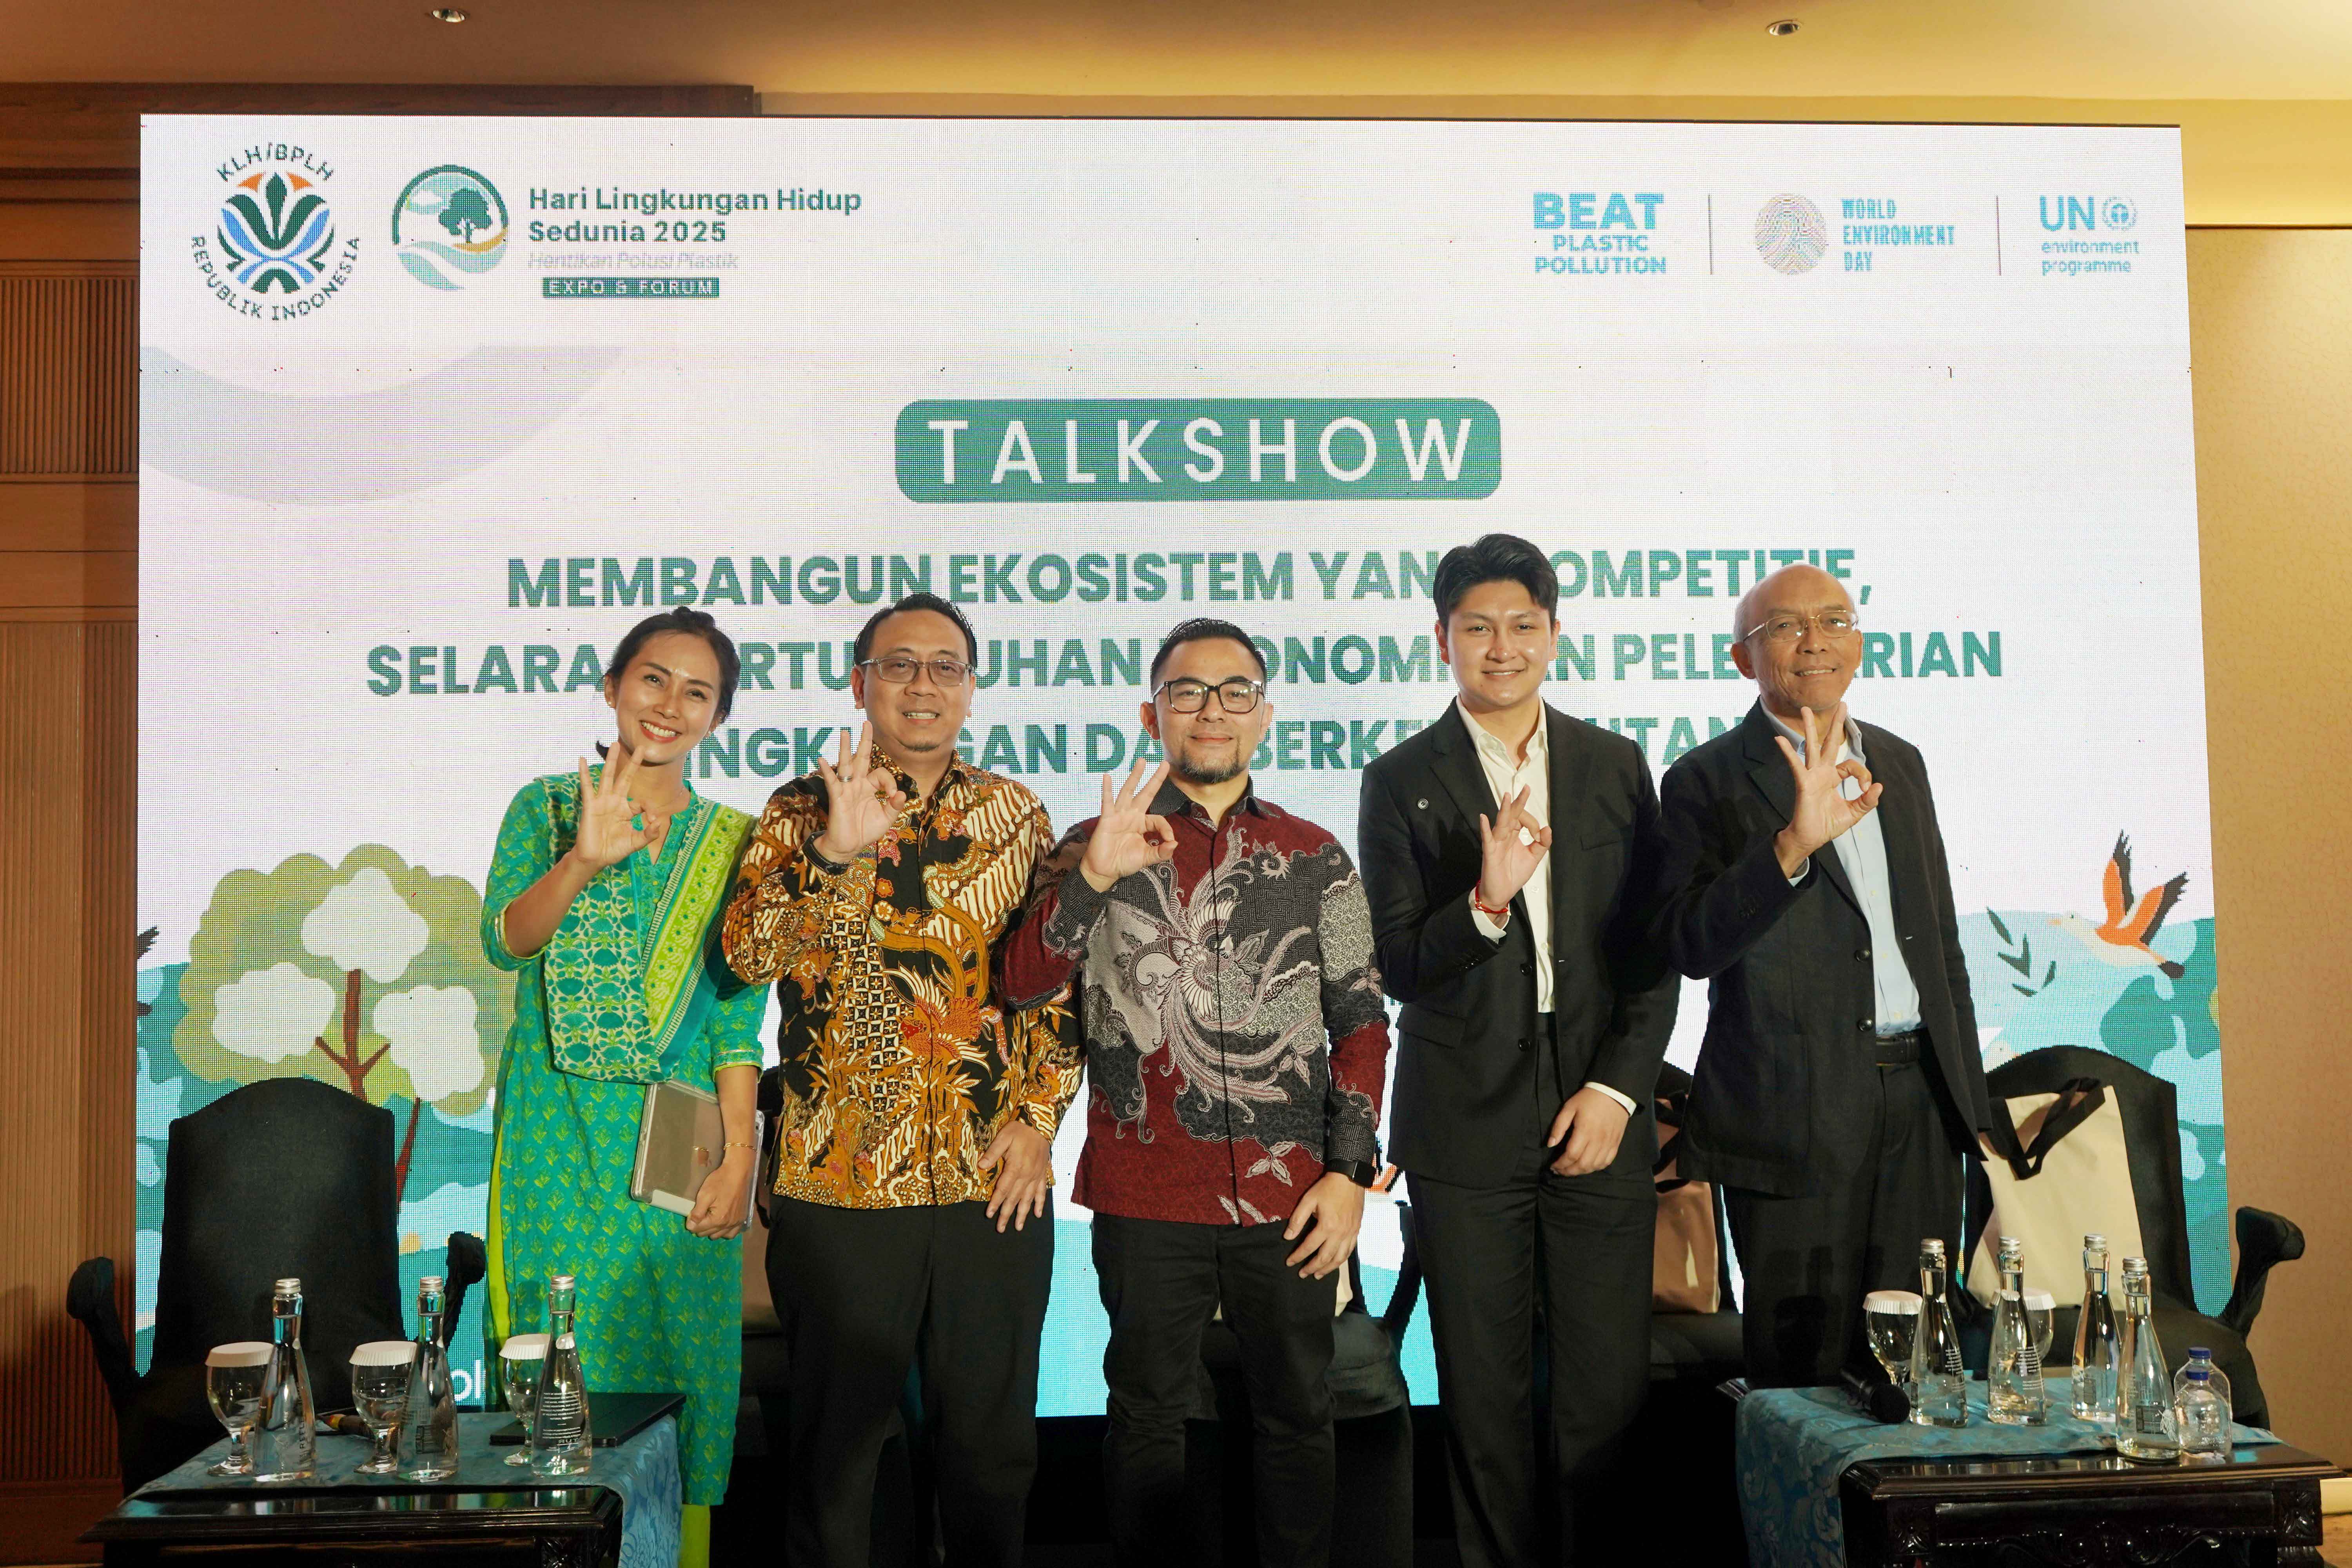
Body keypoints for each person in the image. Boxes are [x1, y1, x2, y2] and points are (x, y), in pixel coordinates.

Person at [998, 617, 1392, 1568]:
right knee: (1146, 1415)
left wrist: (1347, 1174)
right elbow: (1021, 983)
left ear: (1264, 716)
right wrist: (1093, 877)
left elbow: (1362, 1022)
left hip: (1293, 1194)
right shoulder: (1095, 845)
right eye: (1186, 691)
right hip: (1145, 1189)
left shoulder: (1315, 855)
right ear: (1152, 715)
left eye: (1233, 691)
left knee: (1298, 1412)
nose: (1211, 709)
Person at [720, 591, 1082, 1568]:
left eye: (945, 666)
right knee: (839, 1465)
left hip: (990, 1181)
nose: (923, 684)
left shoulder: (1014, 814)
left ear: (970, 688)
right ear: (861, 683)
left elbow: (1052, 982)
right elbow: (748, 955)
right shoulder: (798, 810)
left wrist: (1039, 1118)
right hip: (839, 1183)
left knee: (990, 1457)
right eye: (899, 664)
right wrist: (833, 854)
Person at [1356, 534, 1678, 1567]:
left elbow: (1654, 952)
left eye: (1523, 626)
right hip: (1463, 1117)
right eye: (1478, 628)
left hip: (1596, 1105)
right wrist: (1485, 903)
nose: (1502, 647)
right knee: (1484, 1400)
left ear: (1555, 634)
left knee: (1604, 1396)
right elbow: (1399, 963)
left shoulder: (1614, 765)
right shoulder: (1397, 778)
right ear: (1442, 638)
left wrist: (1619, 1091)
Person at [1652, 563, 1993, 1387]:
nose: (1815, 640)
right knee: (1803, 1375)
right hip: (1791, 1114)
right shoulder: (1705, 778)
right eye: (1786, 626)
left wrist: (1968, 1102)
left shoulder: (1901, 763)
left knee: (1918, 1366)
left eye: (1834, 620)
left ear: (1860, 644)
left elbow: (1938, 944)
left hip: (1918, 1104)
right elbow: (1690, 944)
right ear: (1744, 657)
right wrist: (1791, 848)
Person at [479, 606, 762, 1568]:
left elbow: (736, 1018)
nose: (670, 704)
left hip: (678, 1143)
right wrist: (583, 859)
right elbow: (506, 940)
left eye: (698, 691)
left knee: (682, 1365)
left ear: (718, 716)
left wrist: (740, 1155)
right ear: (612, 687)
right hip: (556, 1132)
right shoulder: (546, 807)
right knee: (559, 1361)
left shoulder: (736, 840)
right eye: (653, 678)